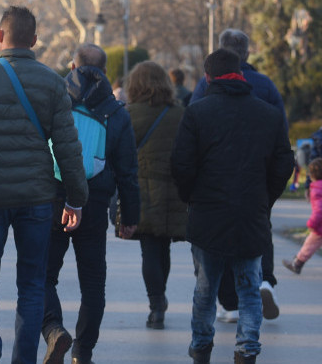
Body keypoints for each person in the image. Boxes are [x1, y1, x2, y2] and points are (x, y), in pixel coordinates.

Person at [0, 5, 88, 364]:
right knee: (32, 281)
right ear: (35, 40)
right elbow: (69, 148)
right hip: (36, 197)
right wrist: (75, 198)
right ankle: (23, 359)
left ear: (0, 36)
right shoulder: (53, 82)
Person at [171, 49, 293, 364]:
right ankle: (246, 350)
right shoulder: (267, 114)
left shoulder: (197, 113)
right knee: (250, 286)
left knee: (205, 289)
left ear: (209, 77)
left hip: (208, 212)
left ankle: (201, 348)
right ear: (239, 73)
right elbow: (283, 163)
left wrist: (191, 197)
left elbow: (181, 165)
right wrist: (266, 198)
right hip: (251, 212)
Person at [41, 44, 140, 364]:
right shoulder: (116, 112)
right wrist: (128, 216)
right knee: (93, 283)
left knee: (42, 275)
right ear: (106, 73)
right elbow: (127, 172)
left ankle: (54, 329)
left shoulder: (54, 100)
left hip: (53, 198)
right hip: (94, 203)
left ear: (72, 66)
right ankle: (83, 353)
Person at [190, 29, 286, 322]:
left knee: (218, 241)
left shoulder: (204, 86)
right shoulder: (265, 86)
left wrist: (190, 190)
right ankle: (263, 281)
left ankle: (228, 302)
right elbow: (282, 140)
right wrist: (271, 189)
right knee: (259, 230)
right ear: (247, 53)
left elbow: (189, 132)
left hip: (214, 181)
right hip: (256, 178)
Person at [124, 61, 186, 330]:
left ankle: (156, 304)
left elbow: (122, 155)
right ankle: (160, 298)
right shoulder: (180, 113)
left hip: (143, 190)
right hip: (173, 190)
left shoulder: (129, 114)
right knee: (164, 247)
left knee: (149, 248)